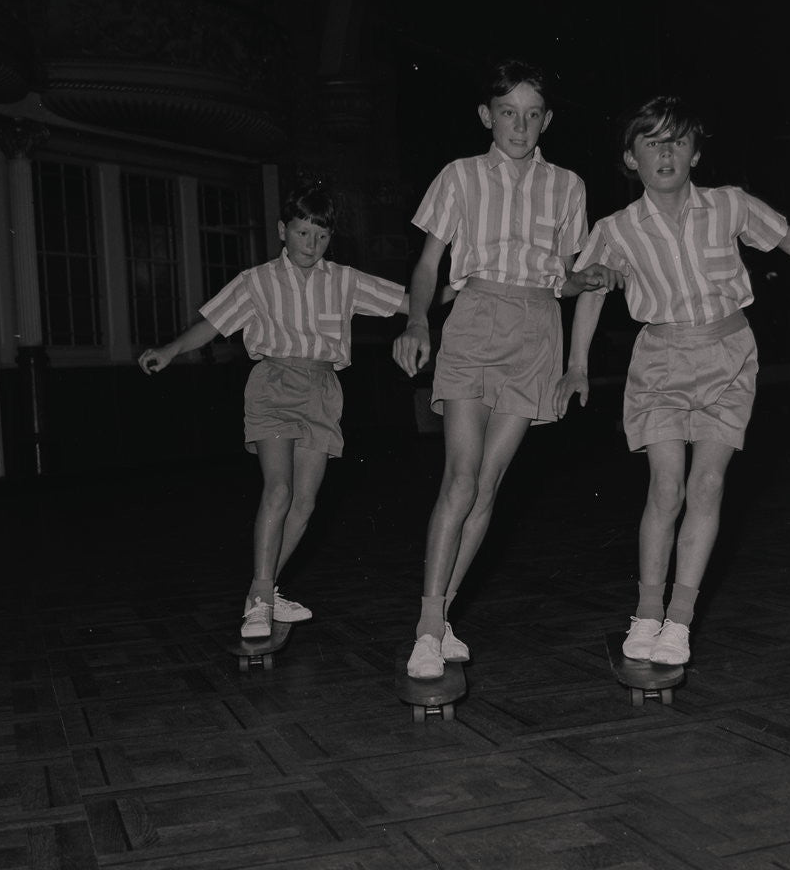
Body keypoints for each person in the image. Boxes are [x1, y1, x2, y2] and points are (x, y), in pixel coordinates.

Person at [554, 95, 790, 666]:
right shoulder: (615, 228)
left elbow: (789, 238)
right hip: (661, 360)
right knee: (667, 488)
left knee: (708, 486)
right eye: (652, 142)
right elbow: (589, 291)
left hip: (729, 355)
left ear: (694, 154)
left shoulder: (729, 205)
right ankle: (645, 612)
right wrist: (576, 366)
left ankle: (680, 622)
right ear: (629, 158)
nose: (666, 152)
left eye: (679, 141)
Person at [393, 57, 619, 680]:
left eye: (531, 114)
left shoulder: (568, 186)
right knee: (460, 480)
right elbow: (427, 265)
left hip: (537, 332)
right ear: (485, 116)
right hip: (474, 320)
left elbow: (565, 277)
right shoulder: (459, 177)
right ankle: (427, 626)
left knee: (489, 486)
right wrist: (417, 321)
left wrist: (589, 278)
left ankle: (442, 619)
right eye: (507, 113)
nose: (519, 125)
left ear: (546, 121)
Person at [139, 187, 408, 639]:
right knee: (279, 490)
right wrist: (170, 350)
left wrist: (469, 286)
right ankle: (263, 599)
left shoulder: (344, 280)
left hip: (323, 389)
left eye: (321, 237)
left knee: (305, 502)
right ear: (283, 231)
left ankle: (259, 595)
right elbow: (213, 323)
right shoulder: (256, 281)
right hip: (274, 385)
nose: (311, 245)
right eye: (302, 233)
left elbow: (407, 302)